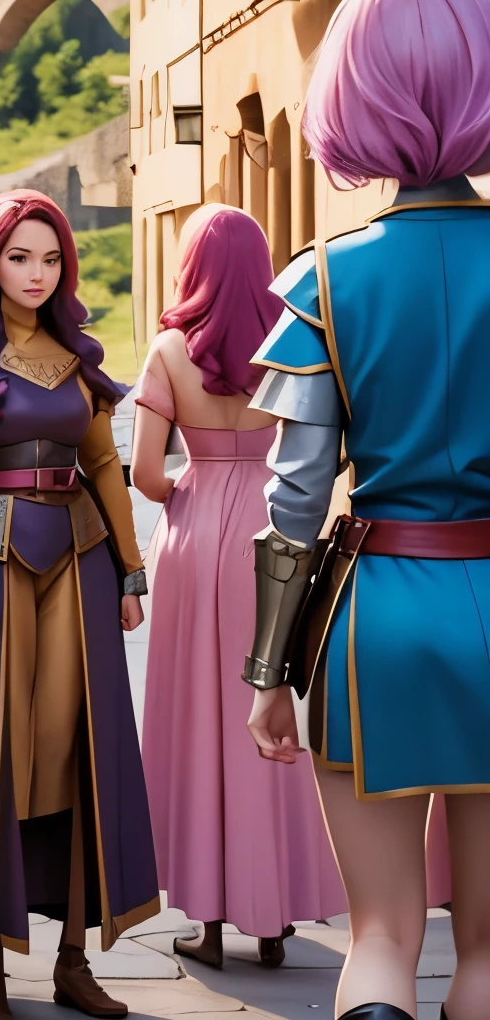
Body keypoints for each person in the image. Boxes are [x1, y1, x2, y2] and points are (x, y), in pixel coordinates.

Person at [245, 0, 490, 1020]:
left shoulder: (325, 281)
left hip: (374, 622)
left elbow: (291, 503)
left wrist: (269, 674)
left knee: (383, 930)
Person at [0, 188, 158, 1020]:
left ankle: (73, 956)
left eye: (51, 259)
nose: (38, 273)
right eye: (21, 257)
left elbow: (107, 467)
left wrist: (130, 568)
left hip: (79, 561)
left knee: (76, 749)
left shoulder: (77, 357)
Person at [133, 205, 344, 968]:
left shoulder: (168, 351)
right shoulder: (290, 342)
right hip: (274, 527)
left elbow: (146, 475)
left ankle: (209, 921)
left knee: (196, 717)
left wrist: (197, 484)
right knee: (270, 704)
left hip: (194, 537)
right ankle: (273, 914)